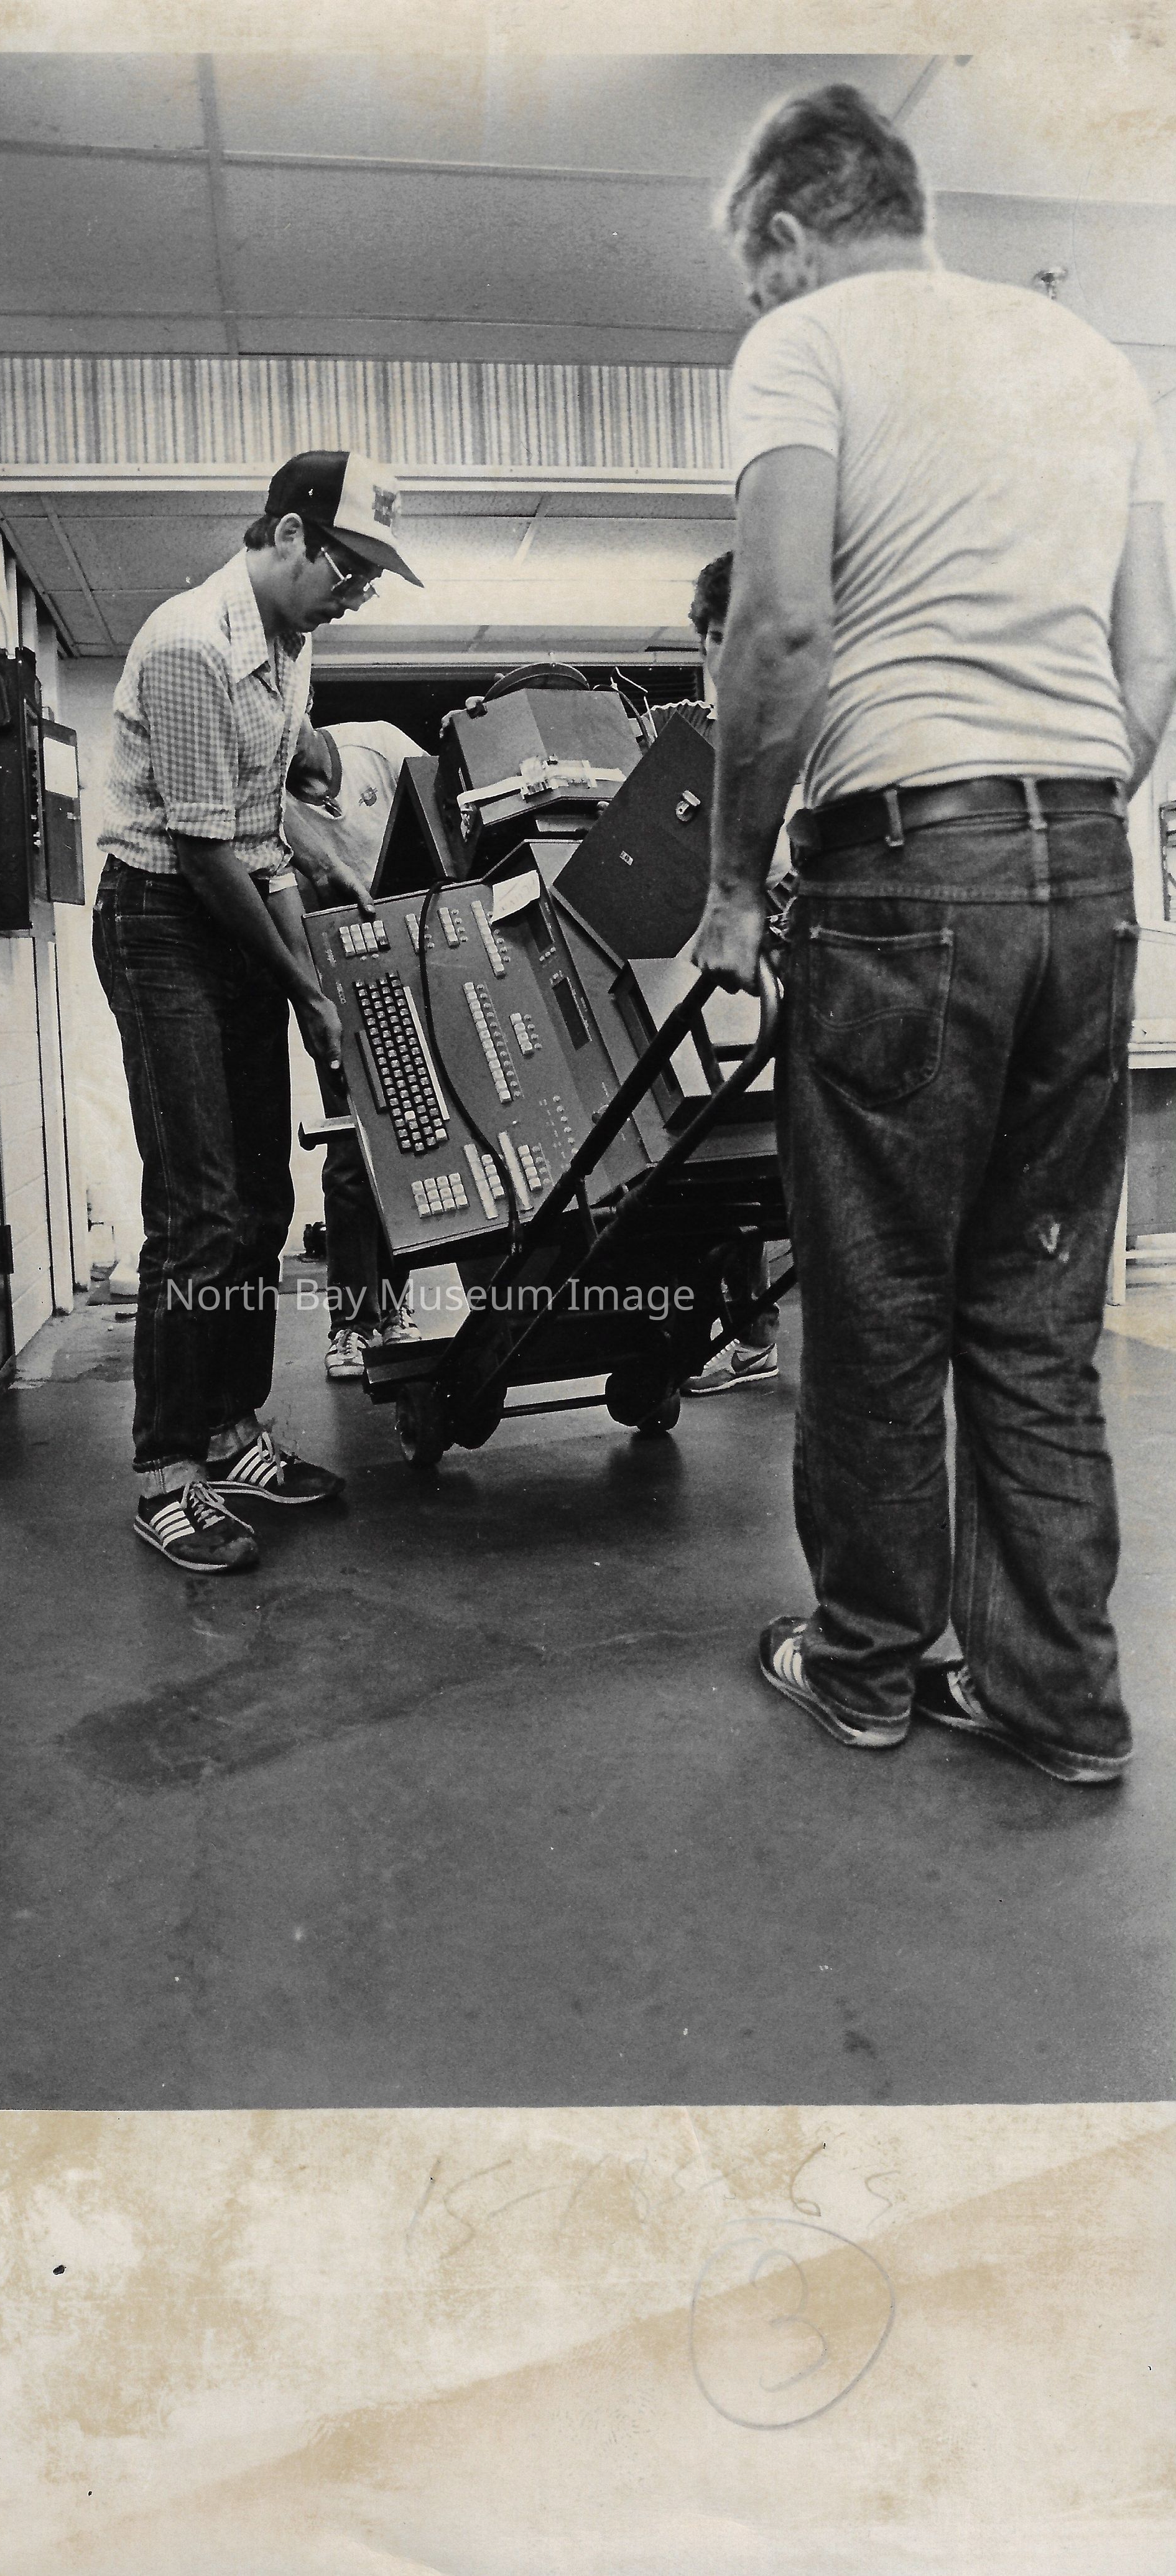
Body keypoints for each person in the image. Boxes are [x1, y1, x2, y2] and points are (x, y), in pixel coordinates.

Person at [693, 83, 1176, 1781]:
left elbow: (781, 628)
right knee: (1035, 1312)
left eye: (754, 272)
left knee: (878, 1292)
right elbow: (1147, 664)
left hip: (903, 868)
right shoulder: (1092, 361)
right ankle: (1057, 1702)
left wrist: (736, 887)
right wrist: (1049, 833)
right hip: (1084, 865)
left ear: (790, 232)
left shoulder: (804, 342)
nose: (757, 299)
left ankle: (865, 1665)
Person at [91, 450, 424, 1574]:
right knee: (198, 1208)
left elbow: (262, 839)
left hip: (228, 908)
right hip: (160, 922)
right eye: (349, 569)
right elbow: (201, 853)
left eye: (370, 579)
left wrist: (313, 968)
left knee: (263, 1200)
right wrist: (298, 986)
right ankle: (165, 1468)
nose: (356, 594)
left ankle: (231, 1432)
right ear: (288, 534)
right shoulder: (191, 643)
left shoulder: (292, 647)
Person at [284, 717, 428, 1379]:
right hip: (338, 977)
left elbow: (444, 816)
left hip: (415, 959)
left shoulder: (382, 746)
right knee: (351, 1151)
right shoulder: (270, 799)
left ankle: (395, 1310)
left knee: (411, 1143)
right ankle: (351, 1324)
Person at [677, 551, 785, 1396]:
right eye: (711, 638)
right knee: (725, 1169)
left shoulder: (783, 726)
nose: (720, 655)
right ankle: (744, 1333)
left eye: (730, 636)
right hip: (736, 985)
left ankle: (751, 1337)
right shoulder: (715, 737)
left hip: (784, 979)